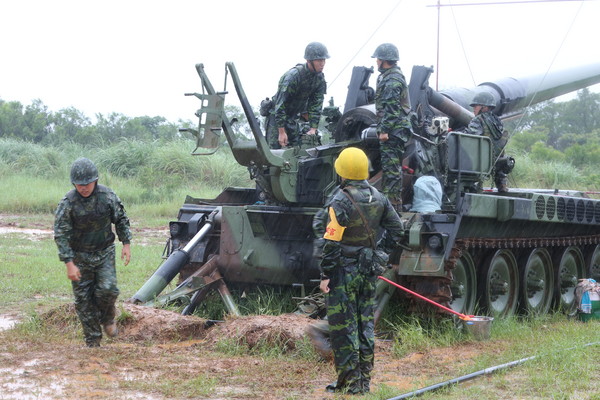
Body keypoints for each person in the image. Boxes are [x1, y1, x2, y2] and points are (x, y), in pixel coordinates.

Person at [313, 147, 404, 394]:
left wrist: (326, 275)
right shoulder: (379, 197)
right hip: (367, 271)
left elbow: (331, 242)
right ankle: (363, 382)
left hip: (343, 272)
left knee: (343, 329)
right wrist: (380, 255)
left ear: (342, 172)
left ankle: (350, 385)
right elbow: (397, 230)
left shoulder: (340, 200)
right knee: (365, 326)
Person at [54, 157, 132, 348]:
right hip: (79, 256)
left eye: (87, 183)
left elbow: (120, 219)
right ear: (74, 184)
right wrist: (69, 263)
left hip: (104, 252)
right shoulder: (68, 203)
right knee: (84, 300)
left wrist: (126, 244)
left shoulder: (107, 196)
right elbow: (61, 234)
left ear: (95, 180)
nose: (84, 188)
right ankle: (93, 342)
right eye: (79, 184)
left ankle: (107, 318)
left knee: (108, 289)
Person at [264, 42, 329, 149]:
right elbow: (280, 105)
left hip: (293, 119)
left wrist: (313, 128)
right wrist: (281, 132)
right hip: (277, 119)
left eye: (324, 60)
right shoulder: (293, 76)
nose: (322, 63)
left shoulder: (319, 79)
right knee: (274, 154)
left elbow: (316, 105)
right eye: (319, 60)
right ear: (309, 60)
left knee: (297, 152)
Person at [372, 43, 412, 210]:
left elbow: (392, 108)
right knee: (391, 169)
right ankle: (391, 204)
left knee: (391, 170)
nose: (376, 62)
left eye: (377, 59)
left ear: (383, 60)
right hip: (396, 129)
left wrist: (384, 131)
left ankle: (392, 207)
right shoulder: (389, 76)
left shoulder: (392, 79)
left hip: (394, 131)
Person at [464, 91, 512, 192]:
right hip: (498, 159)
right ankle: (502, 186)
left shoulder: (477, 120)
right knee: (498, 170)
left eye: (476, 106)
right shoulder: (497, 121)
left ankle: (476, 187)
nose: (474, 109)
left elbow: (471, 137)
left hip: (481, 162)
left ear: (484, 107)